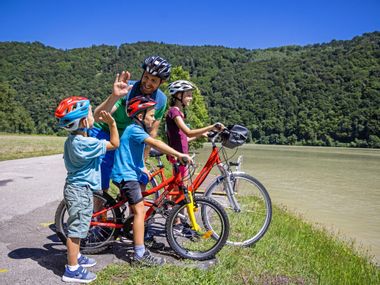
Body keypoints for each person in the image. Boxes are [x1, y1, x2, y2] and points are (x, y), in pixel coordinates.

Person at [111, 96, 192, 266]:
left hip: (131, 172)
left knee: (141, 203)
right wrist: (179, 154)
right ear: (140, 116)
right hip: (126, 175)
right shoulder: (135, 129)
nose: (154, 119)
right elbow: (155, 142)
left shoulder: (136, 129)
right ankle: (140, 254)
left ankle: (135, 233)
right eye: (152, 115)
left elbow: (135, 154)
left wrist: (143, 168)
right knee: (140, 210)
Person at [55, 96, 119, 283]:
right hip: (80, 190)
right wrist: (112, 124)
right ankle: (72, 269)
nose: (94, 116)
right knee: (76, 229)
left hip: (77, 188)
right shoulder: (85, 143)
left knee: (82, 225)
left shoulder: (74, 139)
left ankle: (77, 256)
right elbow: (115, 144)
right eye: (91, 113)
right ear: (83, 121)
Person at [90, 55, 171, 192]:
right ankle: (100, 212)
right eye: (146, 77)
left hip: (127, 138)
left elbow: (152, 133)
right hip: (104, 131)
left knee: (141, 179)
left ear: (161, 82)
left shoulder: (161, 100)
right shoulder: (128, 89)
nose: (147, 82)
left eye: (153, 80)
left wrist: (143, 163)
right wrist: (115, 95)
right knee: (102, 181)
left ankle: (131, 211)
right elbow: (97, 117)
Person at [165, 80, 224, 232]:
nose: (190, 98)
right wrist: (211, 126)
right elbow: (188, 132)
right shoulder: (174, 112)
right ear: (179, 95)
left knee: (181, 189)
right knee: (181, 191)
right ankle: (176, 222)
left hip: (181, 156)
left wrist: (201, 135)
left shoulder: (179, 113)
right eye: (189, 95)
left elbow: (185, 137)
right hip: (178, 157)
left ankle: (178, 219)